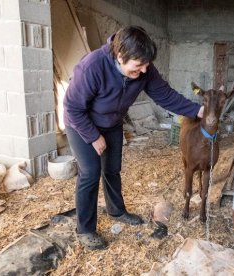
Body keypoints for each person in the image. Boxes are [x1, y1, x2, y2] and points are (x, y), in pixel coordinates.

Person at [63, 25, 203, 250]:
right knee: (90, 173)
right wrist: (92, 136)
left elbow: (165, 95)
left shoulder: (143, 67)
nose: (145, 70)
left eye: (146, 65)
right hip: (81, 123)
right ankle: (86, 229)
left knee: (112, 169)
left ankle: (116, 211)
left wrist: (197, 111)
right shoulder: (92, 66)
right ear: (120, 56)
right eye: (139, 66)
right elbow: (72, 107)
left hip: (112, 123)